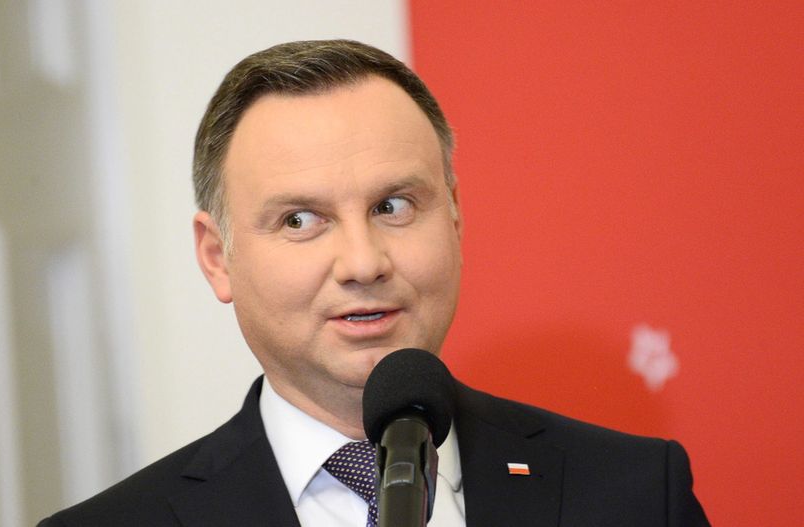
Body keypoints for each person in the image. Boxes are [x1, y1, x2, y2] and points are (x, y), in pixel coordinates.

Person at [39, 39, 709, 526]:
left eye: (392, 206)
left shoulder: (637, 493)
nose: (363, 262)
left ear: (454, 217)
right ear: (217, 257)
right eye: (301, 220)